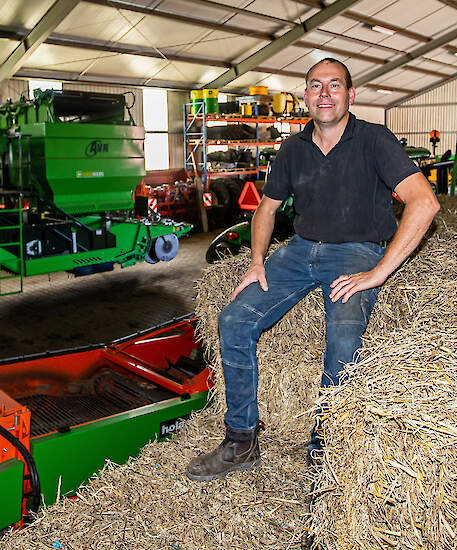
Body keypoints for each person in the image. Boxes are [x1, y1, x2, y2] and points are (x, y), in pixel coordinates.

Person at [186, 58, 440, 481]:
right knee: (233, 319)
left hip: (357, 251)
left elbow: (424, 202)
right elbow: (265, 210)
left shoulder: (374, 140)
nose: (324, 94)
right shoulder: (292, 148)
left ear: (351, 95)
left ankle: (325, 447)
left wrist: (378, 272)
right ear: (305, 95)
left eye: (334, 86)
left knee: (342, 339)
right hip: (301, 250)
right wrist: (256, 261)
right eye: (315, 86)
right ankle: (241, 439)